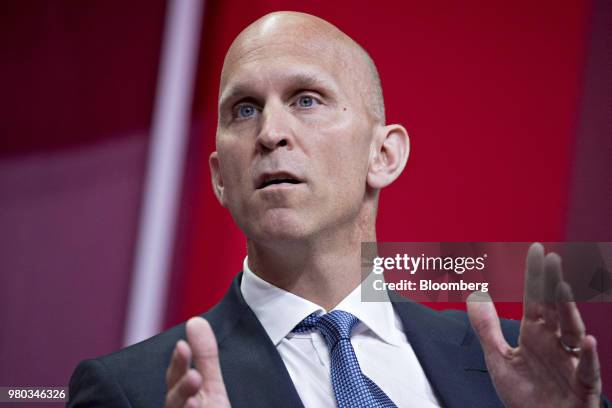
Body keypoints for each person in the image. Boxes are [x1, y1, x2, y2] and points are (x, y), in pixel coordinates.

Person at [68, 11, 606, 408]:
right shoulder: (133, 391)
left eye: (306, 99)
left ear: (384, 154)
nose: (271, 133)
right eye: (244, 109)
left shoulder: (520, 368)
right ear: (218, 179)